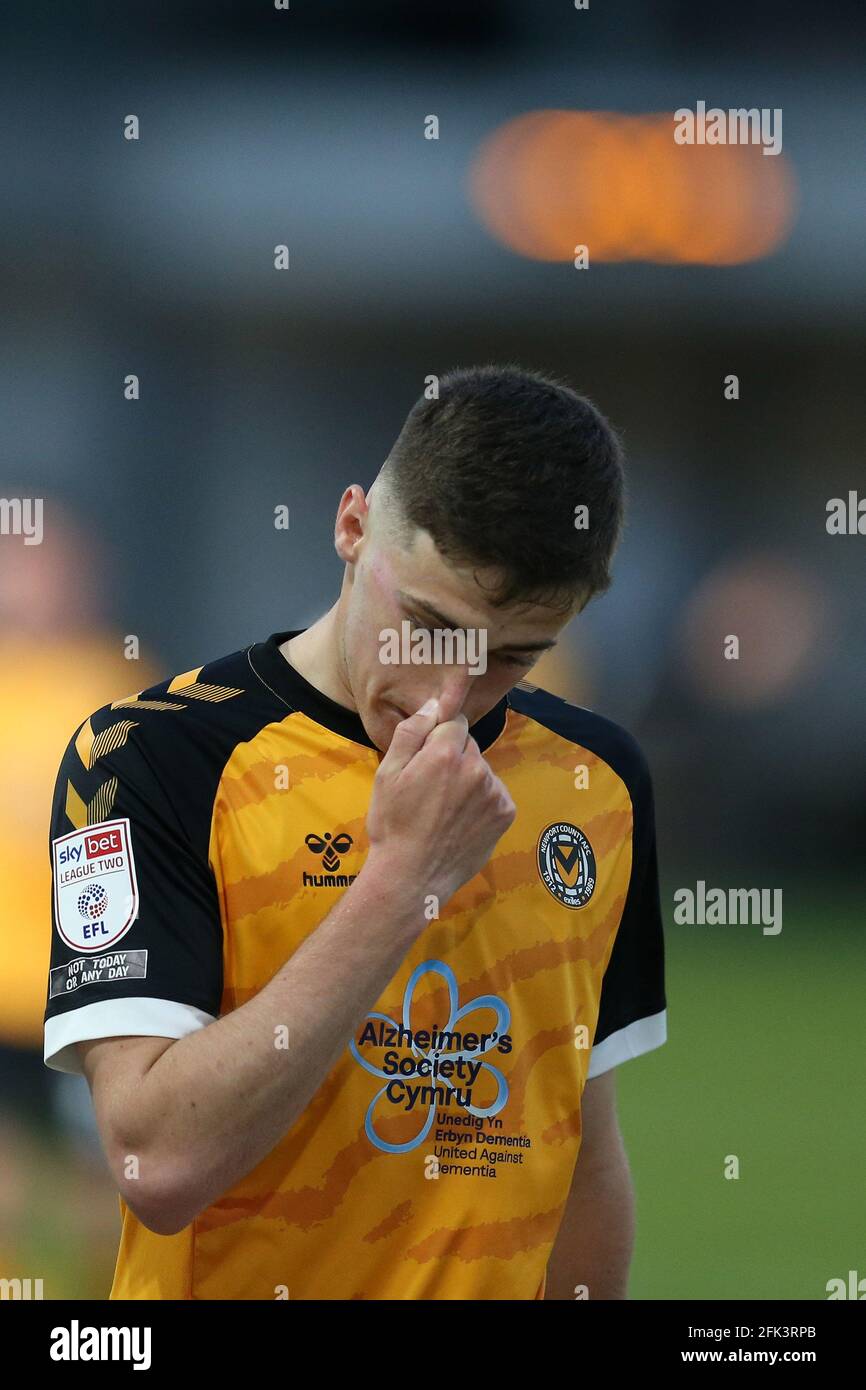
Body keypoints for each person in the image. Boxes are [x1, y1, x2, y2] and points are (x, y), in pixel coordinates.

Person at [43, 363, 666, 1300]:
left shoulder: (597, 781)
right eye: (426, 625)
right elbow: (155, 1166)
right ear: (350, 527)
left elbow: (580, 1151)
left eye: (513, 657)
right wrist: (402, 883)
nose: (448, 694)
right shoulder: (152, 756)